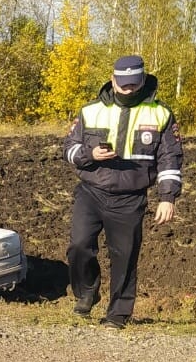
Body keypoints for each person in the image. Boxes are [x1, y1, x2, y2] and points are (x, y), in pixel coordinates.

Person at [62, 55, 183, 328]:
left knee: (125, 257)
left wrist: (168, 197)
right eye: (123, 84)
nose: (128, 90)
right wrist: (88, 152)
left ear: (142, 81)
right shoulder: (90, 111)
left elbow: (170, 158)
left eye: (133, 84)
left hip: (130, 197)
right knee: (79, 246)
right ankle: (87, 291)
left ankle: (117, 314)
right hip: (91, 191)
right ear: (113, 80)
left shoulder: (160, 113)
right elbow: (67, 150)